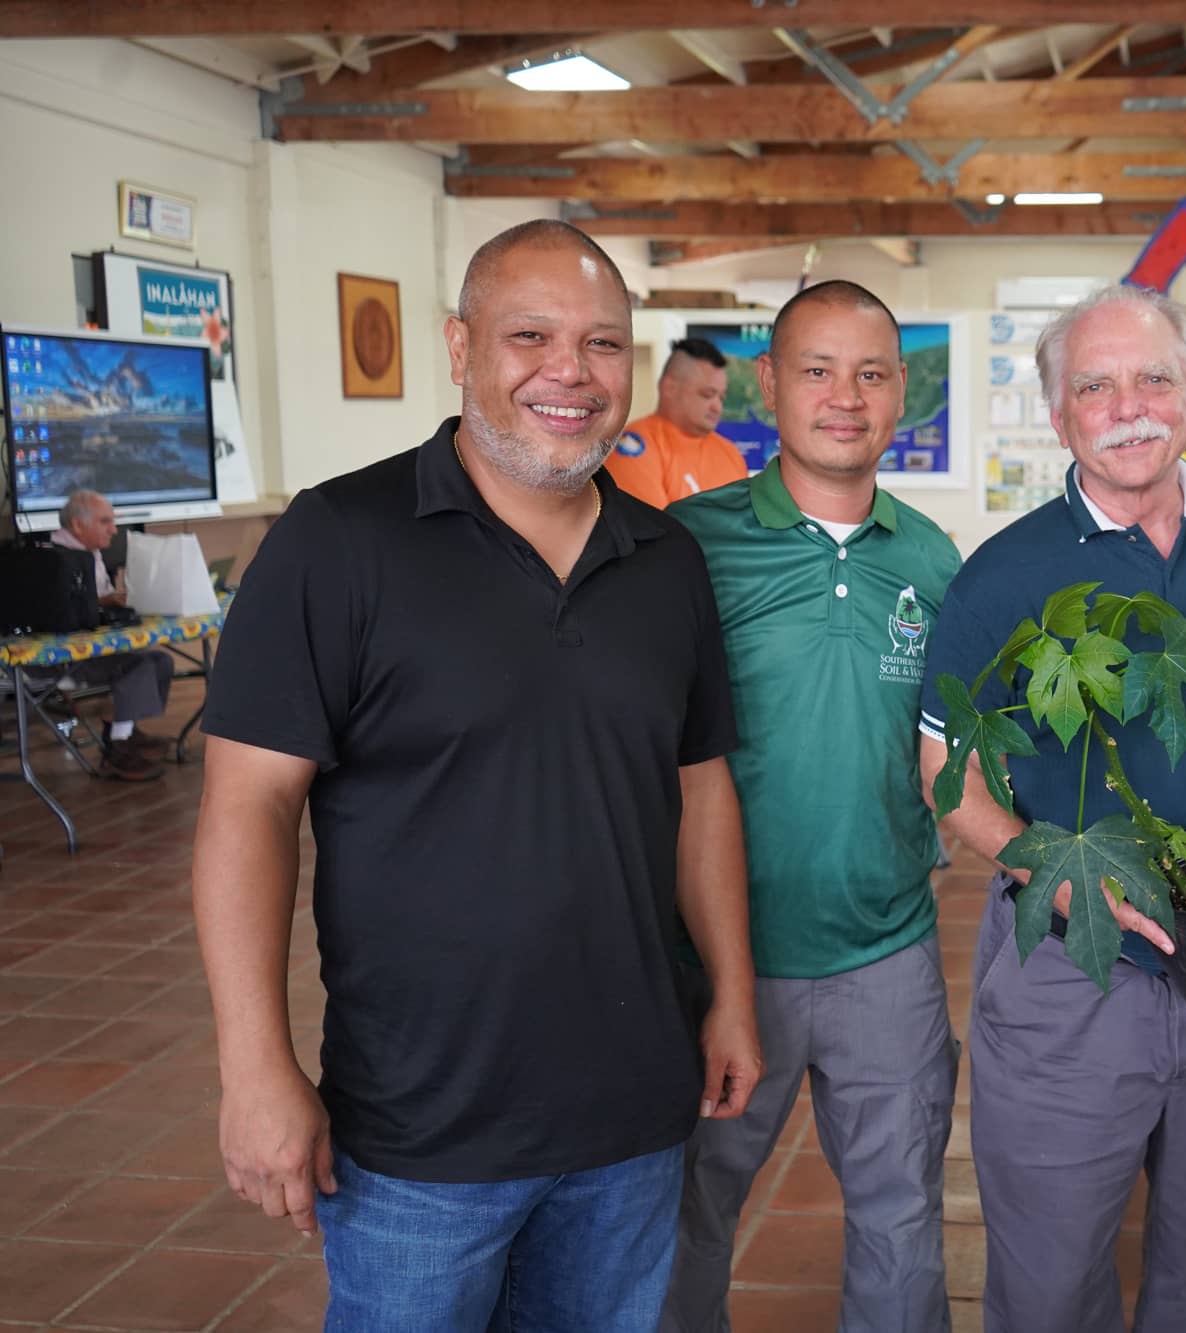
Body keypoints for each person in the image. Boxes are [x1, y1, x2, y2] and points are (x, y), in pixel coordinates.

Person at [190, 220, 762, 1332]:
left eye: (602, 343)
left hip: (633, 1114)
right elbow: (247, 808)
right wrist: (254, 1067)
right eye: (530, 335)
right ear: (459, 347)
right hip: (420, 1130)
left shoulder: (666, 560)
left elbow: (700, 789)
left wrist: (731, 995)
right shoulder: (338, 540)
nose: (569, 371)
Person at [917, 284, 1186, 1333]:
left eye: (1153, 377)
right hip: (1071, 971)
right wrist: (1053, 870)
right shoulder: (1004, 575)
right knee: (1048, 1273)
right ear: (1057, 412)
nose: (1128, 405)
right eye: (1094, 385)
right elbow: (947, 776)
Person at [662, 281, 961, 1333]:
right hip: (718, 958)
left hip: (888, 953)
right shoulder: (682, 549)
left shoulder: (931, 560)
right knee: (684, 1217)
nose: (846, 396)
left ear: (900, 395)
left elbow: (947, 760)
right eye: (817, 370)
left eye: (871, 373)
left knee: (899, 1220)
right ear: (767, 386)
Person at [44, 489, 171, 780]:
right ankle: (117, 748)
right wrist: (105, 603)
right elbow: (68, 611)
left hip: (93, 648)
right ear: (77, 525)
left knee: (161, 662)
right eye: (105, 522)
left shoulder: (91, 556)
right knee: (137, 665)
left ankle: (124, 729)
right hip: (63, 658)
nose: (114, 530)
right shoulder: (55, 560)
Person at [604, 337, 749, 508]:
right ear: (669, 388)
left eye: (721, 397)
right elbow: (652, 527)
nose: (717, 406)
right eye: (707, 394)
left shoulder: (731, 454)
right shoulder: (637, 445)